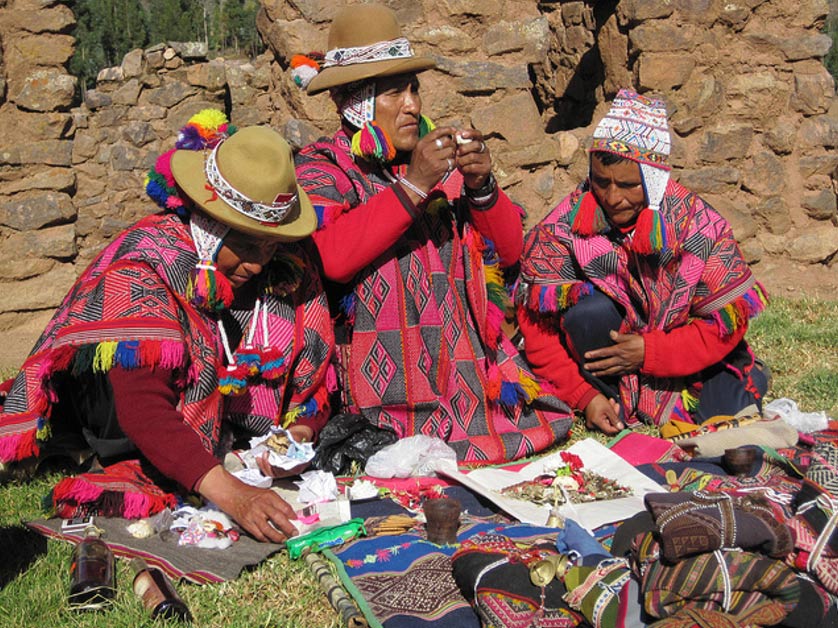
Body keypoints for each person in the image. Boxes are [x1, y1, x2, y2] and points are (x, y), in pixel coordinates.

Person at [0, 111, 334, 543]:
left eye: (272, 243)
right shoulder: (145, 265)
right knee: (133, 420)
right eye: (247, 243)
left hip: (217, 433)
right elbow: (142, 407)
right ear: (210, 226)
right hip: (116, 415)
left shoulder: (287, 267)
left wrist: (297, 434)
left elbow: (318, 376)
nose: (259, 261)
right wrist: (232, 494)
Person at [291, 4, 572, 464]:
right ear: (357, 101)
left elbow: (507, 251)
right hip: (375, 383)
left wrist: (482, 187)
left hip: (463, 372)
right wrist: (413, 186)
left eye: (414, 90)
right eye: (395, 93)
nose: (413, 105)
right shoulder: (323, 168)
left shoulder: (436, 164)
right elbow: (331, 259)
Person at [516, 89, 769, 435]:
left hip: (686, 364)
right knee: (588, 315)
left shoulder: (700, 228)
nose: (613, 197)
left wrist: (650, 352)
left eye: (629, 186)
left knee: (729, 431)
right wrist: (585, 396)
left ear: (654, 180)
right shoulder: (562, 228)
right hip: (607, 371)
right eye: (601, 182)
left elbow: (727, 325)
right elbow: (537, 327)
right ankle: (609, 400)